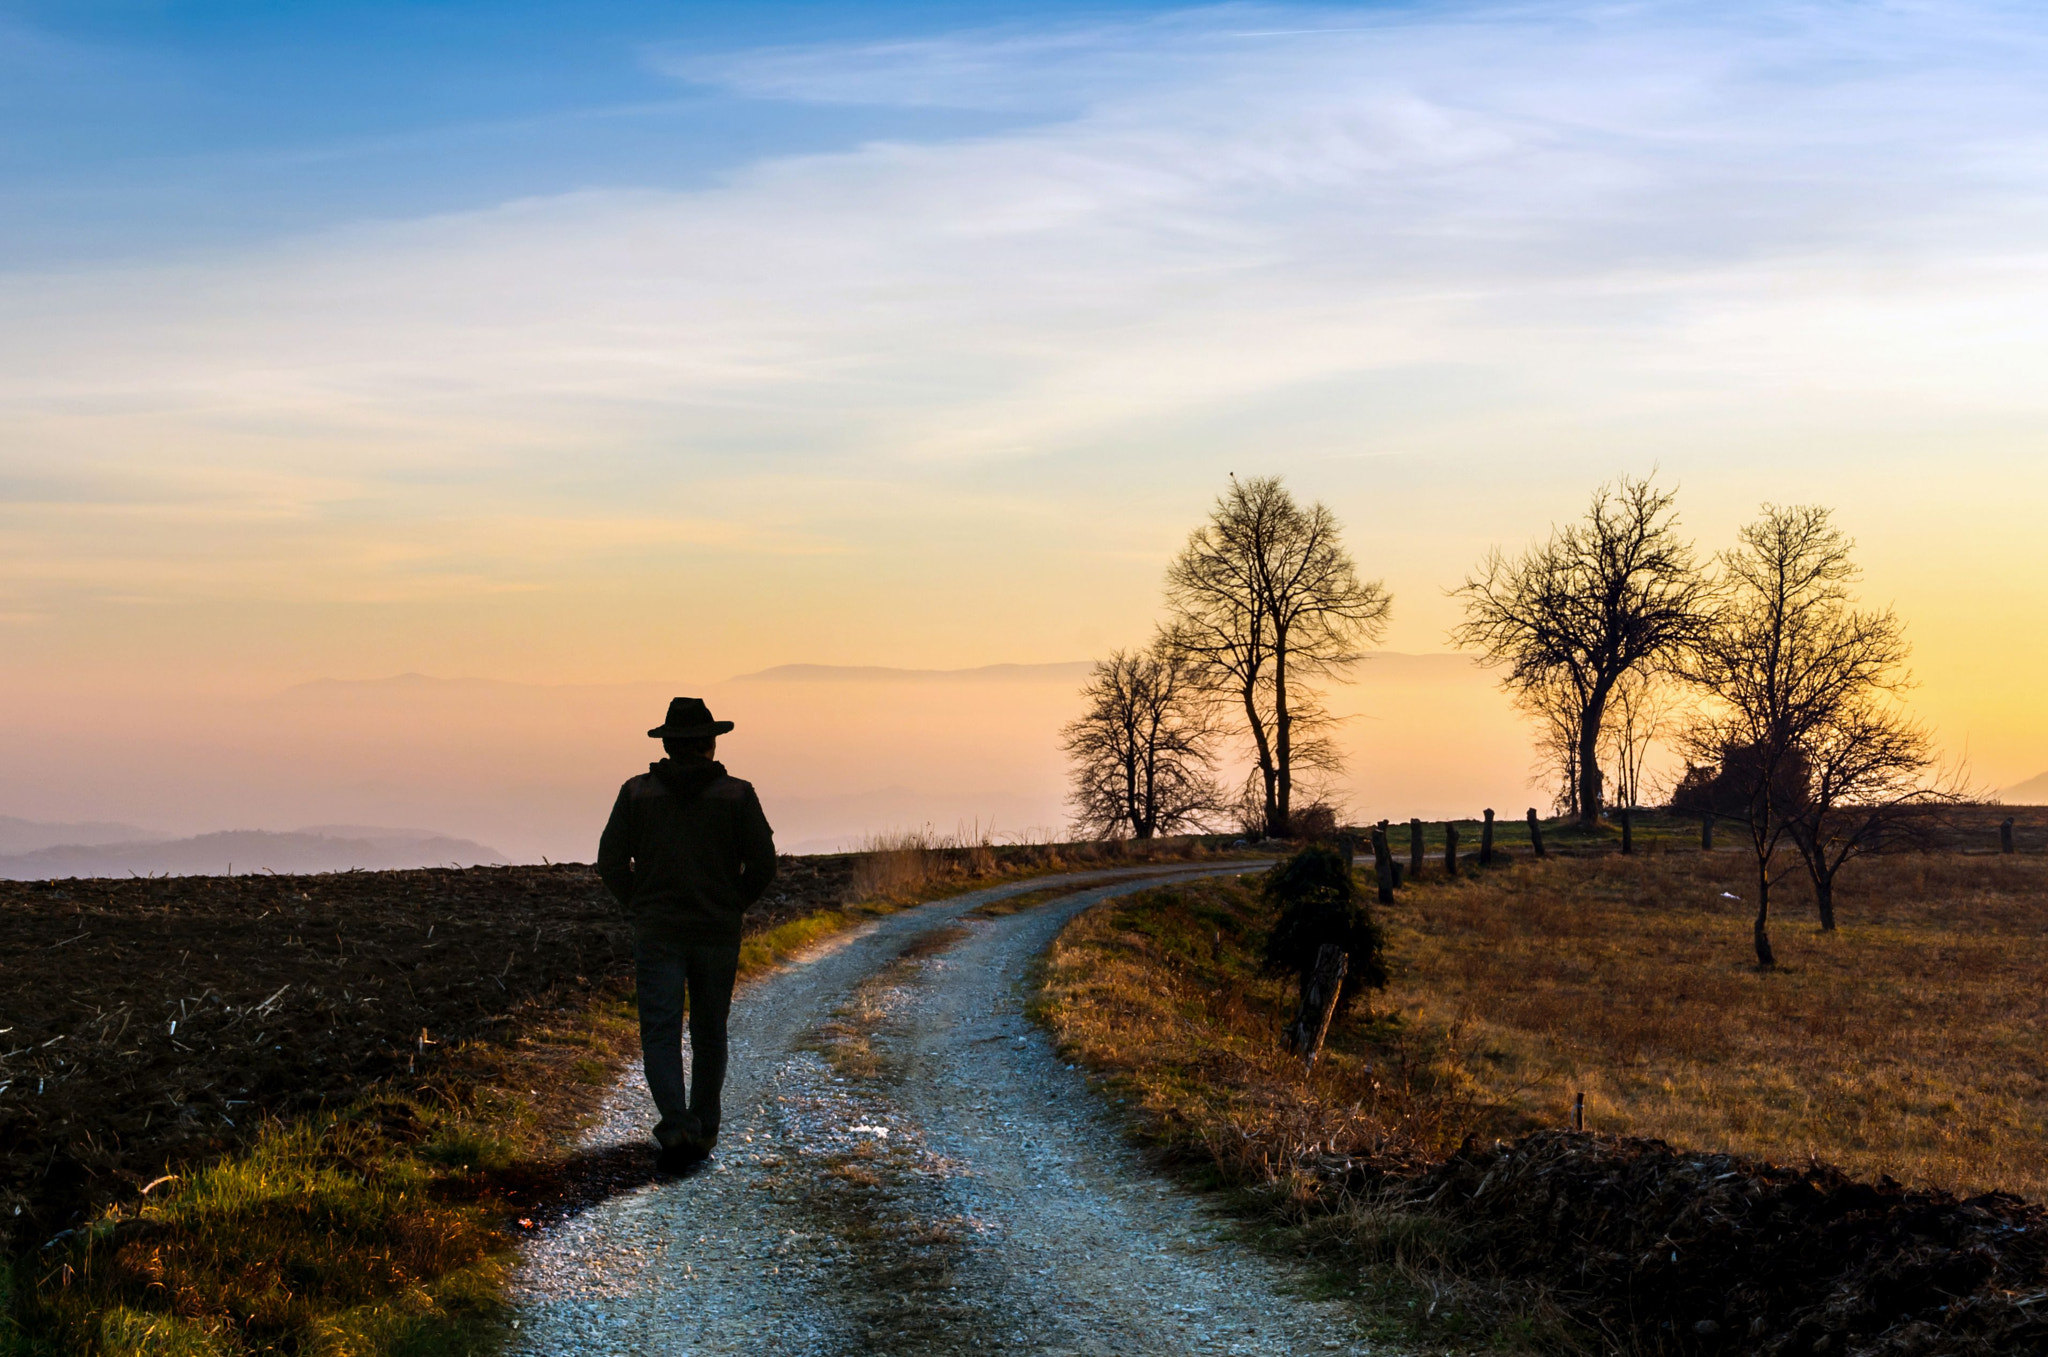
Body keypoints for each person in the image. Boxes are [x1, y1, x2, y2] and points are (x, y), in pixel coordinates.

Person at [598, 697, 777, 1172]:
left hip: (657, 930)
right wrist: (733, 902)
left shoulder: (636, 793)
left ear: (670, 744)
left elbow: (609, 862)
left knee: (660, 1029)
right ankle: (706, 1124)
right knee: (709, 1030)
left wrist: (638, 902)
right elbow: (764, 863)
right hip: (716, 930)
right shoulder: (737, 794)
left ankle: (676, 1123)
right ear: (710, 742)